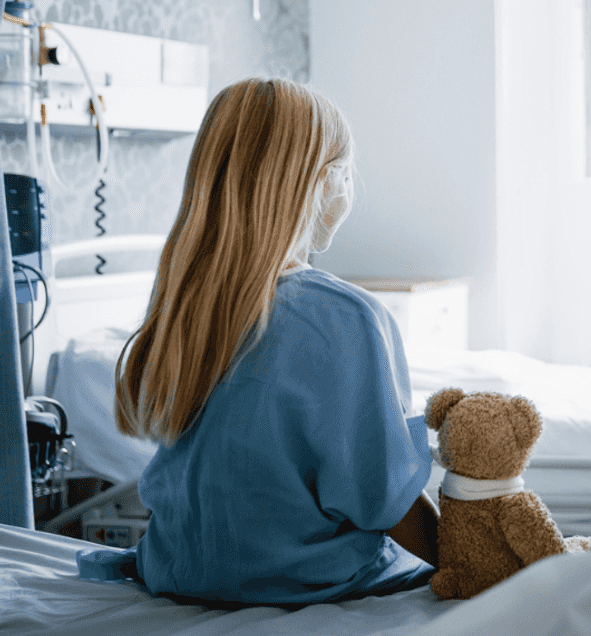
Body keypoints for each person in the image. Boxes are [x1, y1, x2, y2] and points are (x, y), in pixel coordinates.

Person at [78, 78, 439, 607]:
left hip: (178, 573)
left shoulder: (184, 305)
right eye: (344, 172)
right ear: (322, 183)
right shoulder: (344, 316)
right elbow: (384, 498)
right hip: (311, 582)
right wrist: (476, 567)